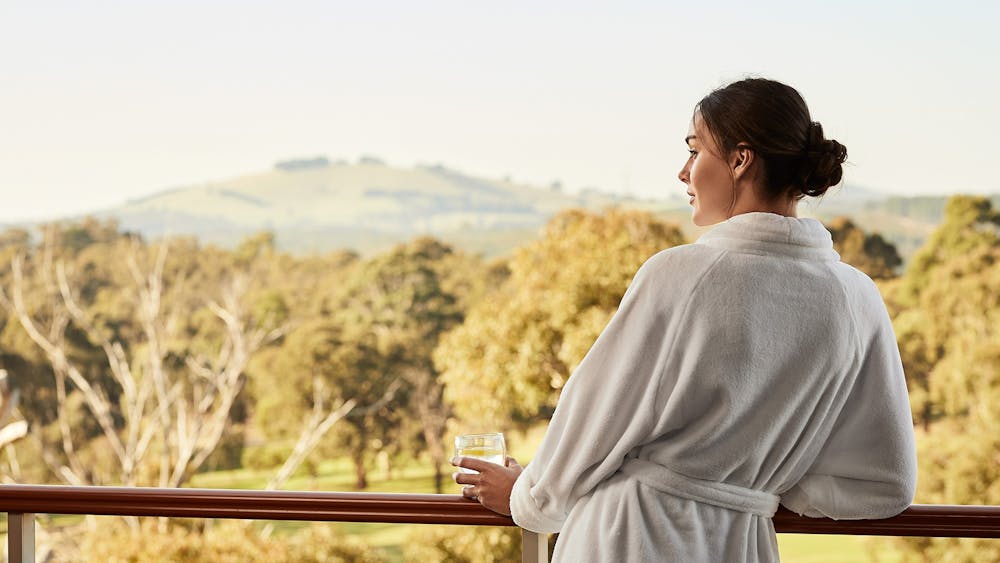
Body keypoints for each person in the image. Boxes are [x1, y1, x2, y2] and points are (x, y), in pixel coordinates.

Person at [452, 77, 917, 562]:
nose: (682, 172)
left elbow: (597, 413)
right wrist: (759, 488)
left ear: (741, 160)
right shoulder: (856, 297)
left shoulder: (680, 274)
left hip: (631, 538)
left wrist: (529, 498)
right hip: (741, 543)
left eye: (695, 152)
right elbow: (887, 483)